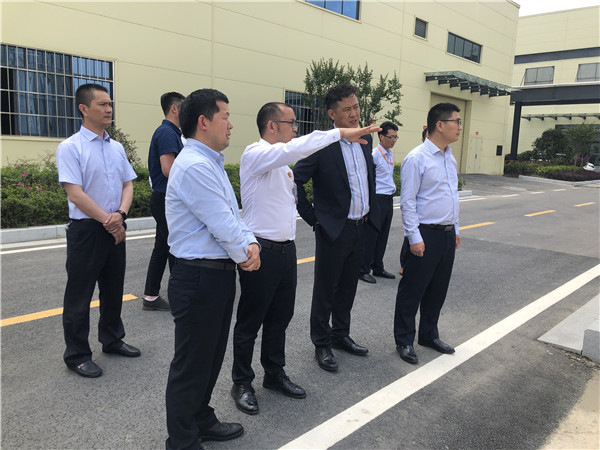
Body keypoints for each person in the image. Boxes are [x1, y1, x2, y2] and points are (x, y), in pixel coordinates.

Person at [232, 102, 379, 414]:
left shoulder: (282, 167)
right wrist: (340, 133)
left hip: (286, 251)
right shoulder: (256, 155)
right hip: (261, 251)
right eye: (291, 123)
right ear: (272, 126)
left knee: (280, 319)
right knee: (250, 322)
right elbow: (295, 149)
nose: (296, 129)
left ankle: (274, 373)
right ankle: (242, 382)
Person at [164, 89, 260, 450]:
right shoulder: (194, 166)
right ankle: (182, 441)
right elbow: (221, 224)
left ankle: (200, 419)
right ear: (204, 122)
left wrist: (251, 243)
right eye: (226, 117)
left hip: (216, 275)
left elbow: (234, 216)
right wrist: (245, 252)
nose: (231, 125)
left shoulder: (211, 163)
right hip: (198, 277)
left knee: (209, 357)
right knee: (191, 364)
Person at [293, 83, 379, 373]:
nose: (354, 114)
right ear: (332, 114)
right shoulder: (322, 144)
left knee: (348, 286)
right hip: (333, 229)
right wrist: (314, 218)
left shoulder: (365, 140)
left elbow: (366, 179)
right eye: (347, 109)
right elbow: (296, 181)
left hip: (359, 225)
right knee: (326, 288)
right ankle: (321, 342)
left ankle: (341, 334)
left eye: (356, 106)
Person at [57, 83, 140, 378]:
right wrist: (109, 220)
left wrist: (120, 215)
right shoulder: (70, 147)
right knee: (79, 295)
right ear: (84, 108)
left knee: (113, 288)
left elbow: (128, 184)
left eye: (110, 104)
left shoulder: (116, 148)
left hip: (115, 224)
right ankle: (77, 354)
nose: (109, 109)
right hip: (88, 230)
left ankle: (112, 339)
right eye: (102, 104)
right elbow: (75, 193)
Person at [394, 103, 462, 365]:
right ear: (440, 125)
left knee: (437, 289)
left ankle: (429, 334)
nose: (460, 127)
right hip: (425, 233)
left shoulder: (449, 157)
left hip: (446, 234)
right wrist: (414, 237)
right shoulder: (417, 158)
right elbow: (408, 202)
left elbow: (451, 196)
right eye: (456, 122)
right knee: (412, 290)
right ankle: (404, 340)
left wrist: (455, 228)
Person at [142, 92, 185, 311]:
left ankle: (151, 296)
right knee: (174, 247)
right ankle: (179, 298)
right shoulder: (167, 132)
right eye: (185, 107)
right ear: (174, 109)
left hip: (163, 198)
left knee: (162, 247)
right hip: (166, 199)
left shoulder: (171, 132)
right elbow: (169, 169)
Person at [359, 121, 399, 284]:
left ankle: (377, 266)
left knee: (383, 235)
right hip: (377, 199)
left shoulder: (389, 154)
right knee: (372, 235)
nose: (394, 140)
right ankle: (363, 269)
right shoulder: (375, 155)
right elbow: (368, 180)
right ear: (381, 136)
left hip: (388, 199)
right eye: (391, 137)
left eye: (396, 137)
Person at [399, 127, 429, 276]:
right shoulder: (415, 158)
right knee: (410, 240)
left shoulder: (447, 158)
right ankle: (405, 265)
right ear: (423, 139)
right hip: (417, 217)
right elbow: (408, 199)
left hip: (429, 220)